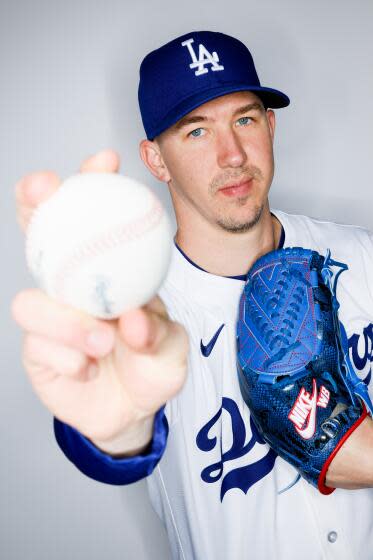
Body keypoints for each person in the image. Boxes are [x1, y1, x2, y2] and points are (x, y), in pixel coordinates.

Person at [12, 30, 373, 559]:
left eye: (244, 120)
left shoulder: (363, 256)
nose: (232, 155)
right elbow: (117, 439)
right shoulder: (144, 324)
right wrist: (113, 436)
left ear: (271, 127)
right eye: (196, 132)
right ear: (155, 160)